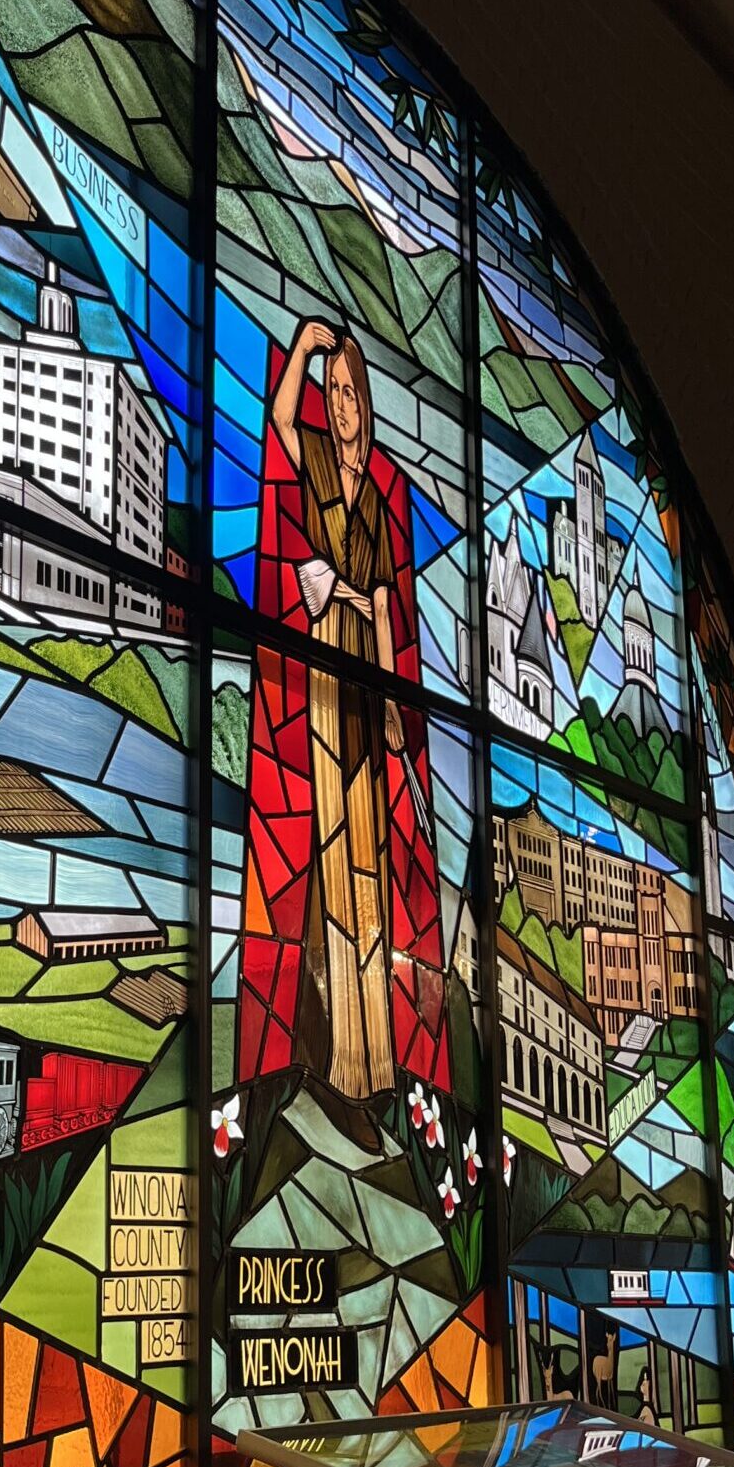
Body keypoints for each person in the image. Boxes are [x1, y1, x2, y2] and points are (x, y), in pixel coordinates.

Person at [266, 318, 405, 1099]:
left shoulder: (377, 502)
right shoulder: (314, 454)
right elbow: (280, 419)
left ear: (368, 404)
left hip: (363, 667)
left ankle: (378, 1056)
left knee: (369, 866)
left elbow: (384, 607)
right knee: (332, 845)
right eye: (335, 392)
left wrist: (390, 704)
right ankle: (344, 1059)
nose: (342, 406)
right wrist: (305, 346)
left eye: (352, 393)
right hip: (324, 657)